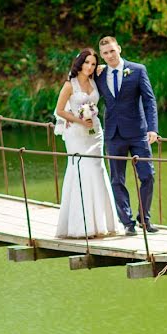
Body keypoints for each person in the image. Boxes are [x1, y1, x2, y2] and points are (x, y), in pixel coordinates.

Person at [94, 36, 159, 236]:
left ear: (119, 49)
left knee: (148, 176)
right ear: (102, 56)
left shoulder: (138, 70)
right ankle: (127, 222)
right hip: (113, 134)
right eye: (105, 53)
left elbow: (149, 100)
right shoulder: (99, 75)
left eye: (112, 51)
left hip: (139, 133)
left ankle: (144, 219)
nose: (110, 56)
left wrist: (153, 129)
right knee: (117, 180)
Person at [53, 48, 120, 239]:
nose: (89, 67)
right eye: (86, 63)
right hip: (77, 133)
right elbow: (59, 111)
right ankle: (82, 226)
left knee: (98, 169)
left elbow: (110, 68)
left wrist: (101, 67)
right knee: (82, 170)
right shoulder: (69, 85)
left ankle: (104, 223)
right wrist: (80, 120)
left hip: (95, 132)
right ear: (79, 63)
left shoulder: (95, 79)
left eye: (92, 63)